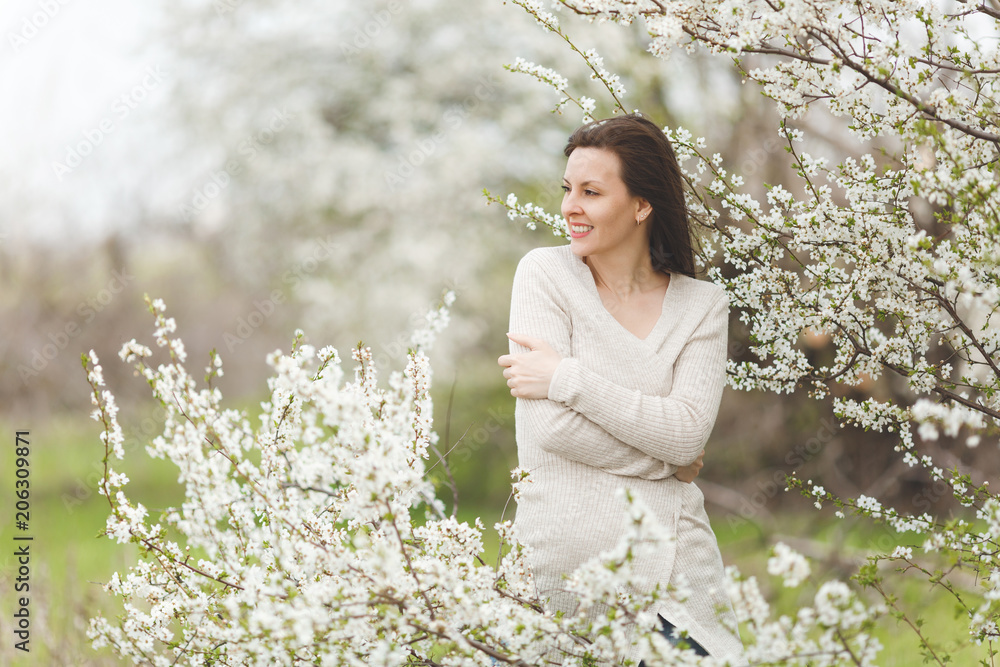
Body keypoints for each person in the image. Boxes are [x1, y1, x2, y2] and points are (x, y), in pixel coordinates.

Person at [497, 113, 745, 664]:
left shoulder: (702, 307)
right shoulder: (544, 275)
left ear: (641, 205)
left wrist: (566, 378)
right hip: (554, 575)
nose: (570, 207)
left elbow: (686, 435)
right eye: (567, 190)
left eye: (591, 192)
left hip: (674, 579)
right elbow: (551, 427)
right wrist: (667, 463)